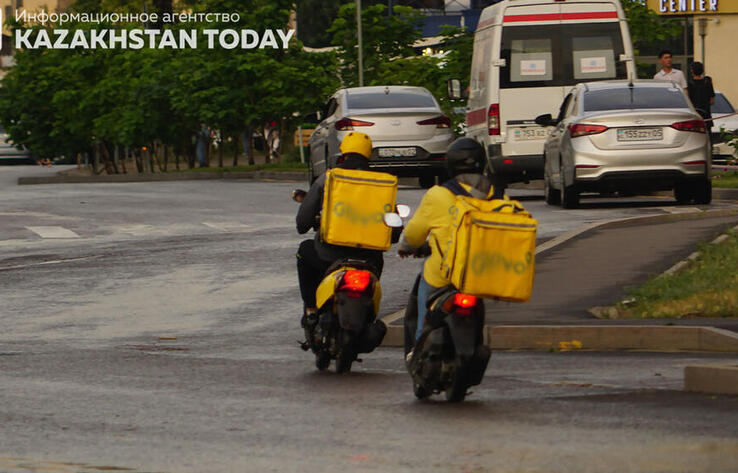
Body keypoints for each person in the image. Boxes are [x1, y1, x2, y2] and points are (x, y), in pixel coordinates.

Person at [397, 137, 501, 348]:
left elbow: (414, 234)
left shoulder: (439, 194)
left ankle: (418, 346)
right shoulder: (497, 195)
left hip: (444, 274)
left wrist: (405, 247)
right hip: (482, 274)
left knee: (424, 313)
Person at [295, 131, 385, 326]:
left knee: (304, 251)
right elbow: (393, 232)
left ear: (342, 154)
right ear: (368, 156)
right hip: (370, 260)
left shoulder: (327, 180)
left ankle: (311, 309)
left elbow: (302, 224)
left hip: (328, 258)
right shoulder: (382, 183)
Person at [687, 61, 715, 136]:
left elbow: (687, 100)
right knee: (708, 136)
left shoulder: (689, 84)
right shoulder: (707, 82)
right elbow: (712, 100)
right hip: (707, 114)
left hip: (695, 115)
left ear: (692, 70)